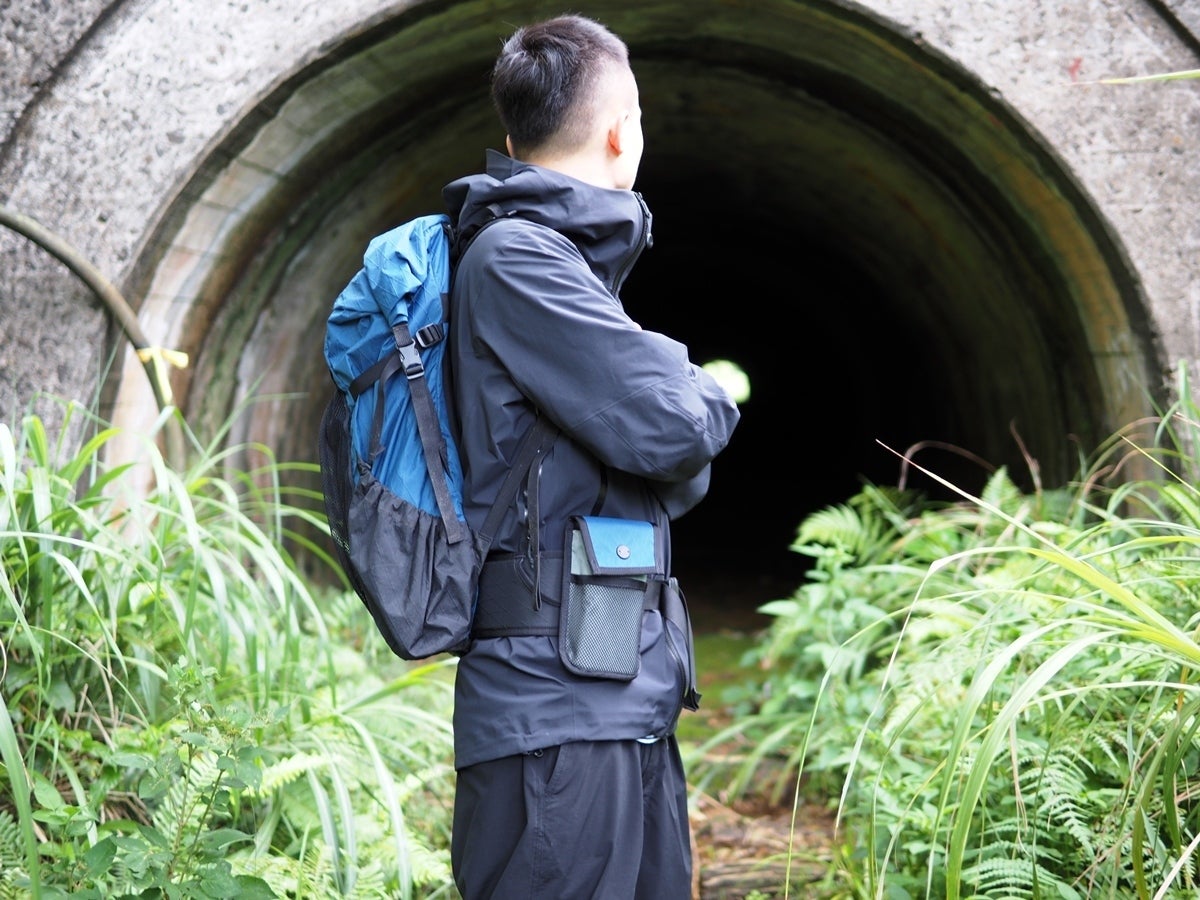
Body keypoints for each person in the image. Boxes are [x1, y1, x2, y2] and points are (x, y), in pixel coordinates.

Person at [442, 14, 741, 899]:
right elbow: (677, 428)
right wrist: (696, 386)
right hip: (553, 707)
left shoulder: (573, 269)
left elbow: (676, 472)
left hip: (617, 687)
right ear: (621, 131)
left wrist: (671, 415)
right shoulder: (517, 261)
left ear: (513, 140)